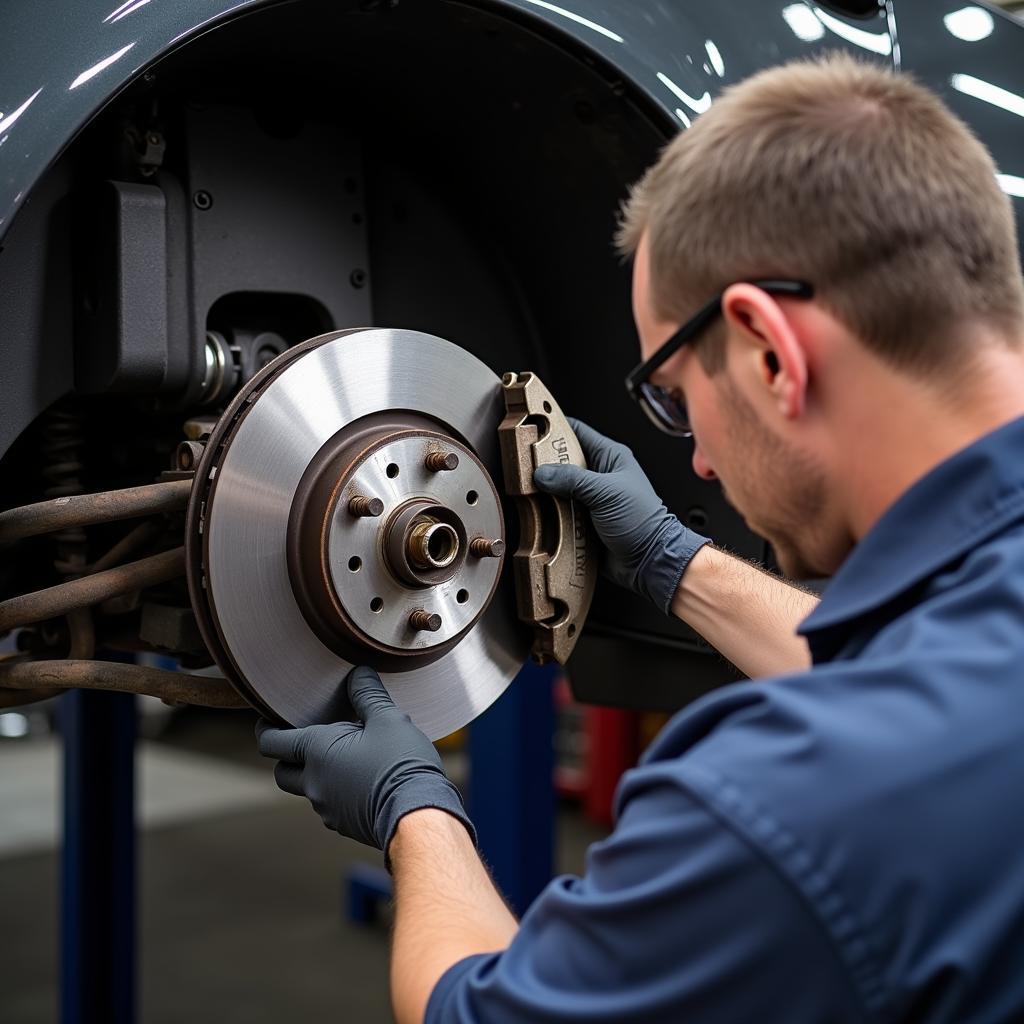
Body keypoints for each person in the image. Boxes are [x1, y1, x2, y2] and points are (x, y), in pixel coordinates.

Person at [256, 53, 1024, 1022]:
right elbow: (920, 681)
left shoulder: (779, 804)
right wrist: (670, 558)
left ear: (767, 351)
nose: (695, 462)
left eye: (672, 398)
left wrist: (414, 810)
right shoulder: (952, 679)